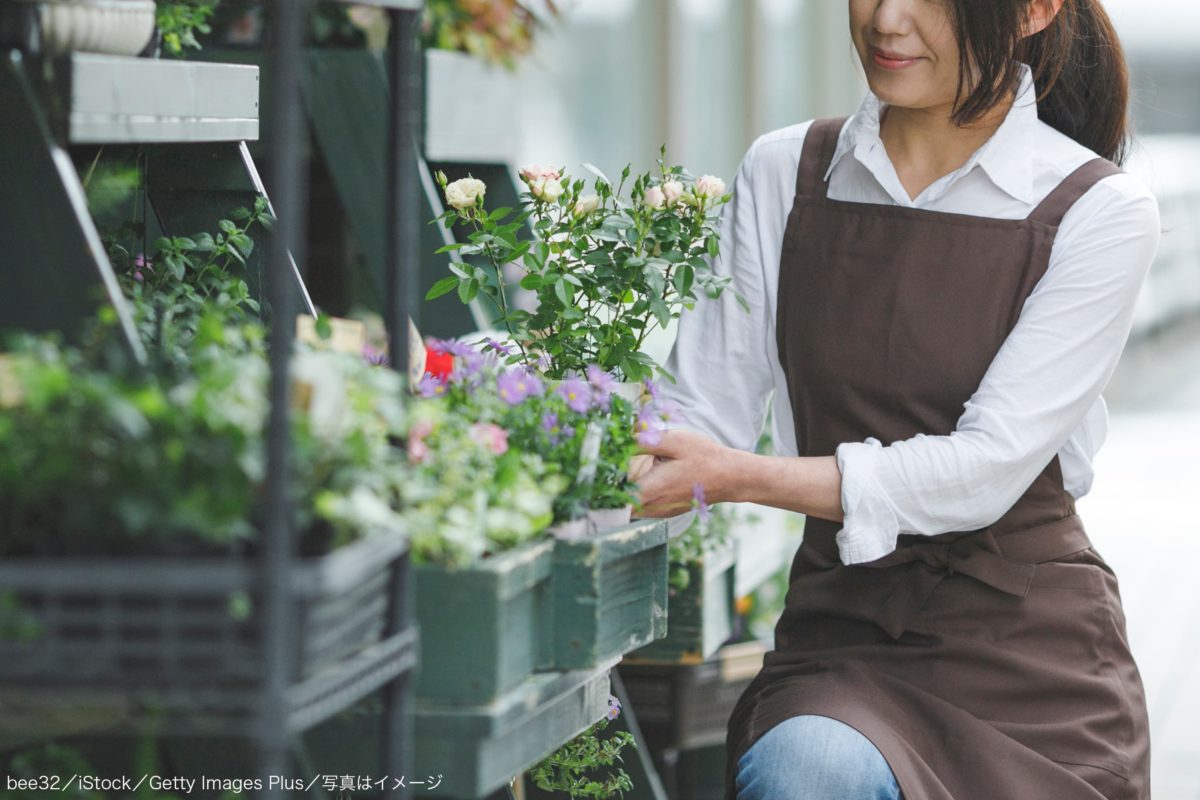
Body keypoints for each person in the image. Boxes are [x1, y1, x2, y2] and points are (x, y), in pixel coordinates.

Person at [631, 0, 1160, 798]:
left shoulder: (1097, 211)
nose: (887, 18)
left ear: (1034, 11)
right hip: (845, 638)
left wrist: (740, 476)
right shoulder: (787, 173)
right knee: (806, 771)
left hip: (1035, 668)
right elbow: (702, 415)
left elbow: (983, 470)